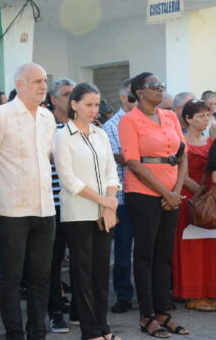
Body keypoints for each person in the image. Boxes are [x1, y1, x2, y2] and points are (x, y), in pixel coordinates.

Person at [0, 63, 56, 340]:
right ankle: (14, 334)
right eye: (36, 80)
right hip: (11, 209)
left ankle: (37, 333)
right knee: (11, 278)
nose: (43, 85)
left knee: (41, 276)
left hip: (45, 208)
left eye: (45, 80)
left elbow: (46, 159)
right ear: (19, 84)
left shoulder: (48, 117)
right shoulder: (1, 115)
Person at [119, 72, 189, 338]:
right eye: (154, 87)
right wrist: (165, 193)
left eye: (162, 86)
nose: (161, 90)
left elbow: (181, 155)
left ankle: (163, 313)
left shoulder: (170, 116)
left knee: (163, 255)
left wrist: (177, 191)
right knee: (145, 255)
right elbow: (134, 163)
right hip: (142, 193)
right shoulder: (129, 120)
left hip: (171, 192)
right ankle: (146, 316)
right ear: (140, 92)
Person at [54, 83, 121, 340]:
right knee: (83, 274)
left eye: (97, 104)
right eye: (89, 104)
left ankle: (103, 328)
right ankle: (90, 332)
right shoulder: (62, 135)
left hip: (104, 212)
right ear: (74, 105)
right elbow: (69, 180)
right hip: (78, 214)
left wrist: (109, 203)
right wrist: (105, 201)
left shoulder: (100, 134)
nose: (94, 110)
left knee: (102, 273)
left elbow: (111, 172)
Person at [172, 100, 216, 311]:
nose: (206, 119)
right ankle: (193, 294)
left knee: (209, 245)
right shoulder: (181, 142)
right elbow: (182, 173)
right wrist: (201, 190)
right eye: (201, 116)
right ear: (188, 119)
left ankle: (209, 291)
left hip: (210, 197)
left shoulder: (211, 142)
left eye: (208, 115)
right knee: (191, 247)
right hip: (190, 197)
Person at [102, 78, 137, 314]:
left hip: (148, 194)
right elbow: (121, 157)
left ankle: (152, 294)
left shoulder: (148, 122)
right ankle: (124, 295)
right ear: (124, 97)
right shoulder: (111, 126)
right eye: (134, 97)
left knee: (149, 248)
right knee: (123, 250)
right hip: (123, 196)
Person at [46, 78, 75, 333]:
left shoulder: (85, 126)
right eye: (66, 94)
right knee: (53, 262)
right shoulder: (45, 126)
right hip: (53, 204)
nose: (71, 98)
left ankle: (79, 308)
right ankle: (54, 312)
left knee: (81, 260)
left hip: (80, 205)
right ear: (54, 99)